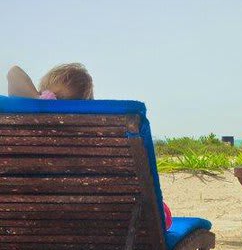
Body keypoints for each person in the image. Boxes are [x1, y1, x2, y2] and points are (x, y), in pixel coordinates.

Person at [6, 63, 173, 229]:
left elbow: (13, 73)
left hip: (40, 225)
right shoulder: (100, 137)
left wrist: (40, 102)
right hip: (114, 226)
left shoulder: (27, 135)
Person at [7, 63, 94, 100]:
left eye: (60, 98)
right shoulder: (33, 102)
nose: (50, 100)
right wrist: (37, 98)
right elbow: (13, 72)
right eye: (47, 95)